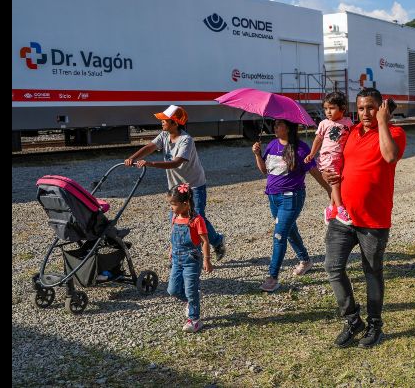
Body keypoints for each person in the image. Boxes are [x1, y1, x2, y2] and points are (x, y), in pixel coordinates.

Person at [321, 88, 406, 348]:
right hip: (344, 216)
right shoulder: (352, 133)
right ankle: (352, 320)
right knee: (333, 268)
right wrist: (332, 180)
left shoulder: (395, 133)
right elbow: (340, 164)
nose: (365, 113)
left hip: (373, 220)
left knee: (371, 272)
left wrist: (382, 121)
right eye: (360, 108)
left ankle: (375, 325)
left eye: (370, 107)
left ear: (381, 108)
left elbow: (389, 156)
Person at [124, 105, 227, 261]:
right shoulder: (164, 135)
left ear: (175, 123)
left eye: (165, 120)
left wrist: (150, 164)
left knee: (196, 218)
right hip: (176, 187)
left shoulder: (186, 140)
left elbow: (176, 163)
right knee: (176, 218)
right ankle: (178, 252)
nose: (162, 123)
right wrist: (133, 157)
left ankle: (211, 244)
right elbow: (150, 147)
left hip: (194, 185)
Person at [252, 119, 328, 292]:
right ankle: (306, 260)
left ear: (288, 127)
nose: (275, 127)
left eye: (278, 124)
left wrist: (329, 189)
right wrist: (257, 154)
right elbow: (265, 171)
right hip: (273, 197)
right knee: (289, 229)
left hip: (291, 198)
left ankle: (272, 277)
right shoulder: (272, 144)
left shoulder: (301, 148)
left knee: (279, 235)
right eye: (275, 124)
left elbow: (314, 171)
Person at [166, 183, 213, 333]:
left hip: (191, 260)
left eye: (173, 204)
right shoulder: (174, 217)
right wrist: (172, 249)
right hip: (176, 259)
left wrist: (206, 259)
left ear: (185, 204)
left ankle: (194, 319)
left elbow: (205, 241)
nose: (171, 207)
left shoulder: (196, 220)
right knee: (172, 289)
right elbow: (173, 236)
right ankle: (192, 300)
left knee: (191, 289)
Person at [304, 91, 354, 226]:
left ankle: (330, 208)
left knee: (339, 183)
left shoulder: (348, 122)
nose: (328, 112)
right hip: (328, 157)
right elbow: (318, 139)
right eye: (326, 109)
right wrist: (312, 154)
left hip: (341, 157)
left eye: (332, 108)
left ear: (342, 108)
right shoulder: (324, 123)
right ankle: (340, 209)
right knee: (335, 183)